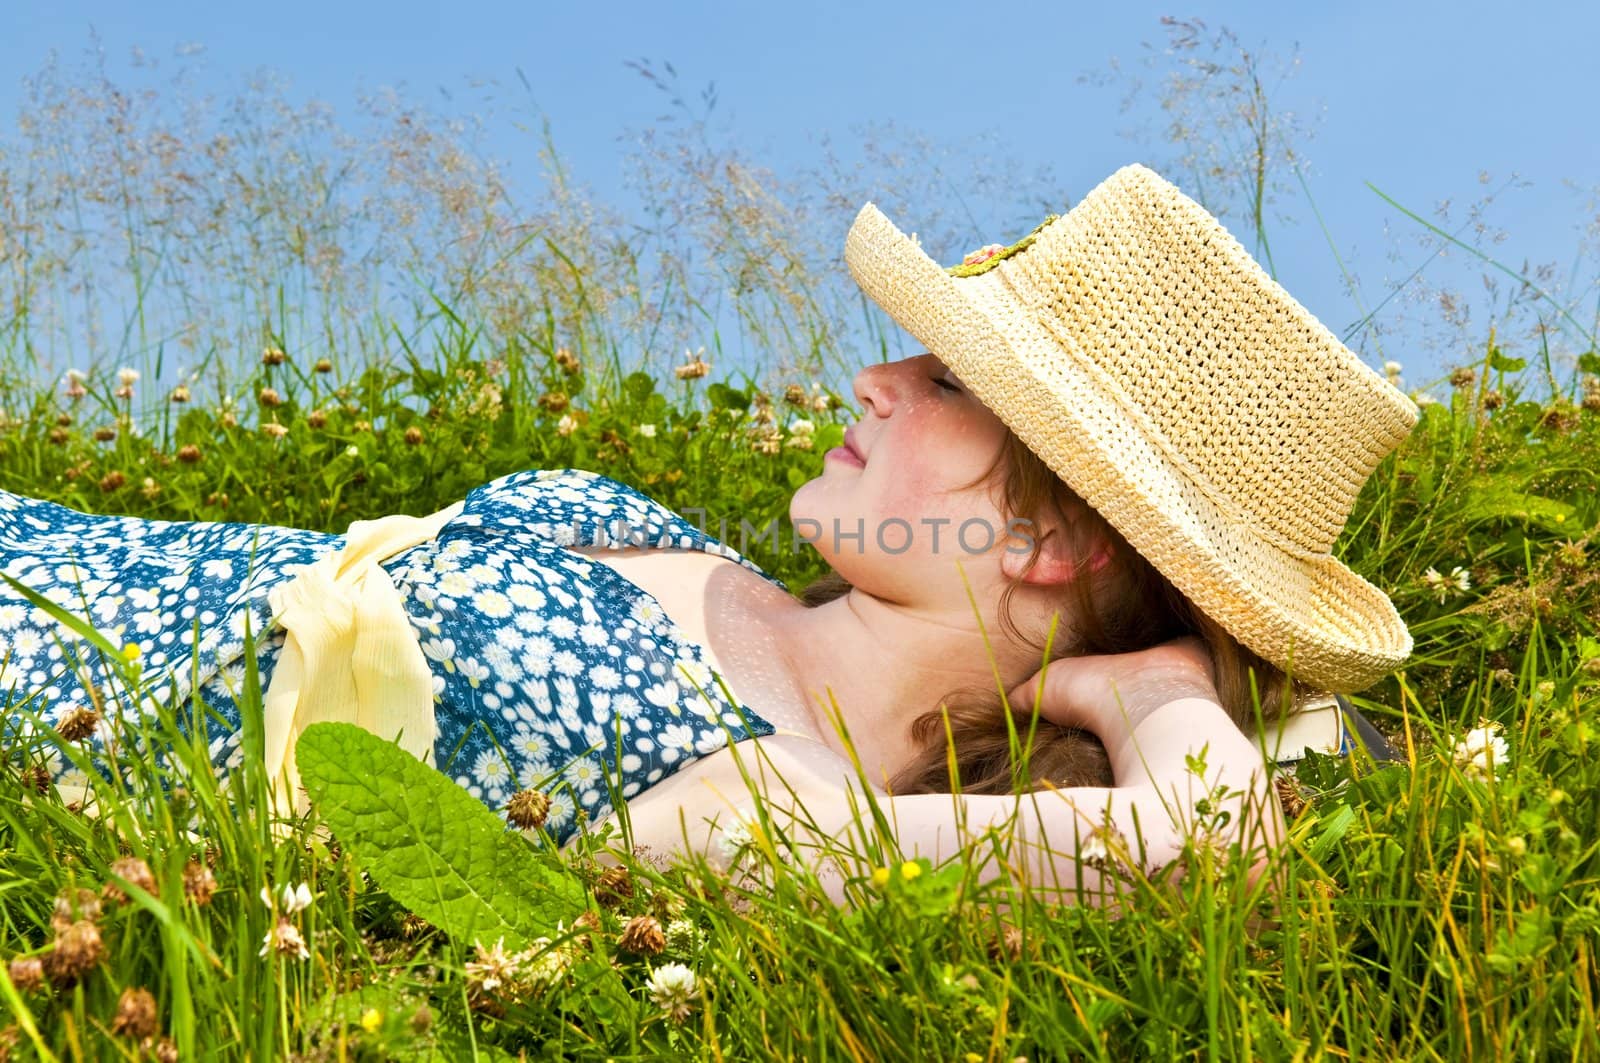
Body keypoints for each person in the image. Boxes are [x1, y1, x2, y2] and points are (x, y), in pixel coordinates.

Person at [0, 164, 1416, 903]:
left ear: (1060, 543)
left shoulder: (782, 799)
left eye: (949, 384)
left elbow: (1211, 853)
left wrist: (1155, 686)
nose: (877, 376)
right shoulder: (666, 536)